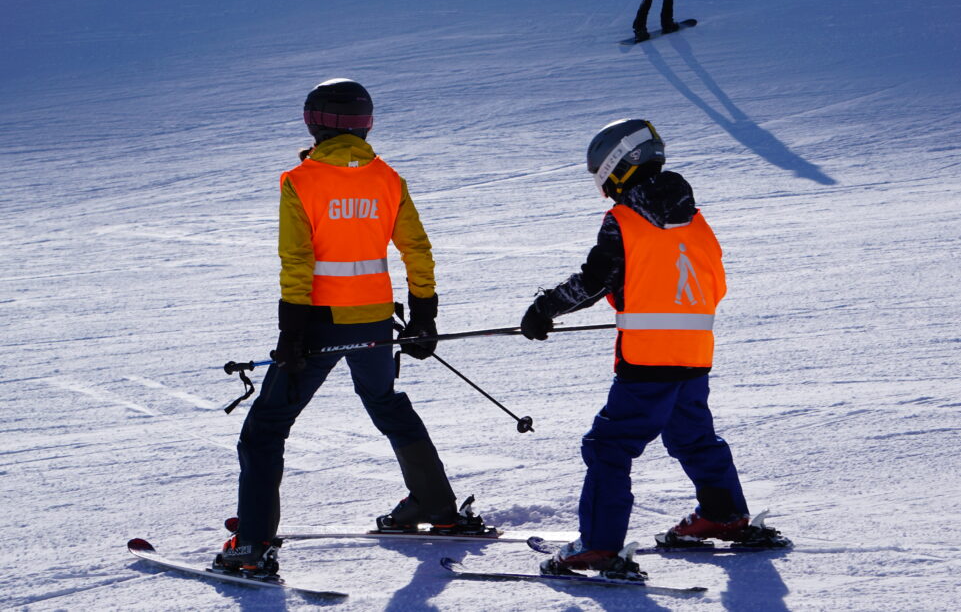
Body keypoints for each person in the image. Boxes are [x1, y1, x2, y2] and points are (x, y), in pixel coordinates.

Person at [215, 78, 486, 575]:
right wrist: (423, 313)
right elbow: (417, 248)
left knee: (265, 429)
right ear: (366, 123)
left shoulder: (301, 181)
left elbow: (297, 262)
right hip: (376, 318)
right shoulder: (388, 179)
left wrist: (291, 332)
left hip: (320, 321)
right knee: (386, 403)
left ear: (314, 122)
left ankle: (252, 546)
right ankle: (437, 508)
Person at [519, 119, 786, 577]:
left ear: (616, 167)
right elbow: (714, 284)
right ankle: (724, 515)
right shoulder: (697, 219)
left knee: (609, 446)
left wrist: (544, 309)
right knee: (693, 436)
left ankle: (599, 547)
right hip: (695, 353)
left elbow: (594, 280)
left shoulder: (623, 219)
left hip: (646, 360)